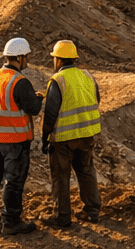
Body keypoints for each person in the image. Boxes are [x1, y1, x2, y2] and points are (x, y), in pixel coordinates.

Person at [0, 37, 44, 235]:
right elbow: (33, 108)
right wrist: (38, 97)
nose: (28, 61)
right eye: (27, 57)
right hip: (15, 140)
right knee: (13, 181)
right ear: (19, 57)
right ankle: (11, 221)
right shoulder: (20, 81)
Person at [41, 40, 101, 229]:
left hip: (64, 139)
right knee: (86, 170)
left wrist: (45, 137)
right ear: (74, 58)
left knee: (61, 175)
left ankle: (62, 217)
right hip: (86, 134)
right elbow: (96, 99)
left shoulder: (57, 80)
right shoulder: (87, 76)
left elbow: (50, 113)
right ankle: (92, 211)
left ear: (58, 60)